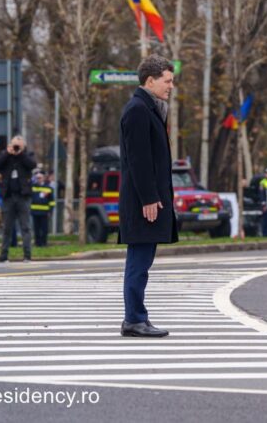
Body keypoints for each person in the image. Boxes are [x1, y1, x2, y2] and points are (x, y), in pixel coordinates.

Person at [118, 54, 178, 338]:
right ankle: (134, 320)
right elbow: (139, 160)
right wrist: (149, 199)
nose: (171, 86)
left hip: (147, 199)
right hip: (144, 202)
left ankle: (136, 317)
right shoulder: (138, 110)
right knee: (139, 263)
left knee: (141, 261)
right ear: (150, 80)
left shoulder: (148, 108)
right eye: (167, 81)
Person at [0, 135, 36, 263]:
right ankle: (3, 255)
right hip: (8, 196)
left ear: (23, 146)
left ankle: (27, 255)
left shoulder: (27, 155)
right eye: (14, 145)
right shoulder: (5, 155)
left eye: (19, 145)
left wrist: (21, 154)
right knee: (7, 227)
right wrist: (7, 153)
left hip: (23, 196)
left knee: (25, 227)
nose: (16, 147)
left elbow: (32, 165)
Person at [30, 172, 54, 247]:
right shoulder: (32, 187)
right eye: (37, 178)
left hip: (44, 212)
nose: (38, 179)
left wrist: (50, 210)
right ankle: (37, 243)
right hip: (35, 212)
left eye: (40, 178)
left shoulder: (48, 188)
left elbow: (52, 201)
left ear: (43, 178)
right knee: (36, 229)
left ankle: (44, 243)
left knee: (44, 229)